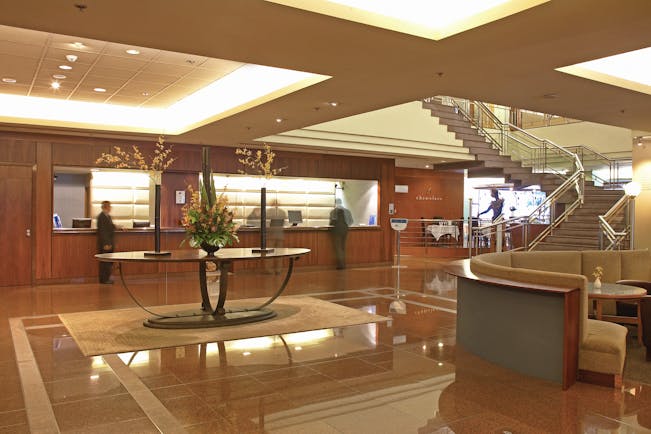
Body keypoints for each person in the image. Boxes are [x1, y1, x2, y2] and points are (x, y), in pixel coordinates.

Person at [329, 199, 353, 269]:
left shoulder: (333, 212)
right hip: (345, 230)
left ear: (335, 203)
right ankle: (343, 264)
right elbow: (351, 221)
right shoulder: (347, 211)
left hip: (336, 230)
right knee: (343, 247)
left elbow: (331, 223)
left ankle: (341, 264)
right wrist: (346, 226)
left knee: (338, 247)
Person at [96, 200, 116, 284]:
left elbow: (111, 227)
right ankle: (104, 279)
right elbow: (102, 231)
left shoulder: (108, 216)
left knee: (108, 262)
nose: (110, 208)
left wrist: (119, 227)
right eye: (109, 206)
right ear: (105, 207)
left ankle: (107, 277)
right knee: (104, 262)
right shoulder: (101, 217)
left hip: (110, 242)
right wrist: (106, 244)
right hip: (105, 243)